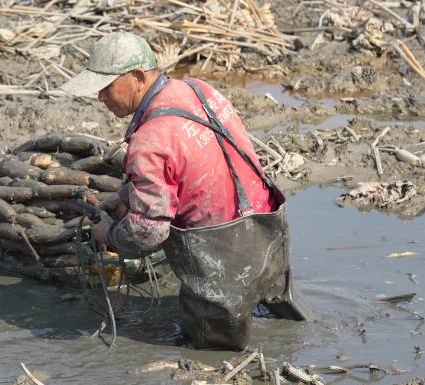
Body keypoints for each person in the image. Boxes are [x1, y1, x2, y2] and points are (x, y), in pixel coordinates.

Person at [60, 32, 311, 351]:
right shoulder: (198, 89)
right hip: (268, 226)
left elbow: (146, 234)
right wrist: (126, 197)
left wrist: (109, 234)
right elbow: (190, 159)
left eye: (106, 87)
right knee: (290, 319)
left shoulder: (149, 141)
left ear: (137, 77)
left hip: (220, 255)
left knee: (213, 350)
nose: (100, 98)